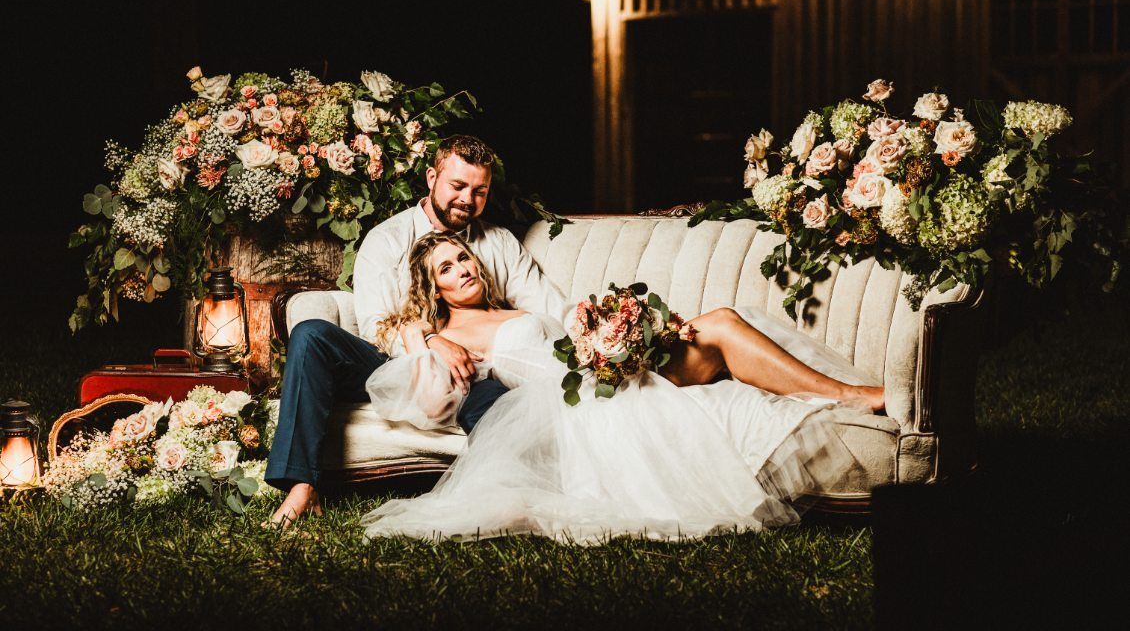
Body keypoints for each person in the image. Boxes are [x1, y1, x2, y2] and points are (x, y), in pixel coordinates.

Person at [359, 231, 885, 543]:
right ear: (435, 288)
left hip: (606, 369)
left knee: (723, 322)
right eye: (445, 269)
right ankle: (846, 395)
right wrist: (425, 335)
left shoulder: (509, 309)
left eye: (463, 258)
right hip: (582, 399)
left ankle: (833, 391)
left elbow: (566, 332)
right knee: (722, 325)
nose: (461, 270)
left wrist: (611, 332)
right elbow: (412, 368)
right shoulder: (445, 334)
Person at [265, 135, 565, 528]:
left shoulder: (499, 243)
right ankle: (303, 487)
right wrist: (431, 342)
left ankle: (507, 493)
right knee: (310, 334)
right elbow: (375, 328)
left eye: (479, 191)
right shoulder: (387, 240)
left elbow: (548, 307)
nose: (467, 199)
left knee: (487, 396)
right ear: (431, 178)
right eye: (457, 186)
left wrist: (596, 327)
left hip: (468, 368)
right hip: (389, 360)